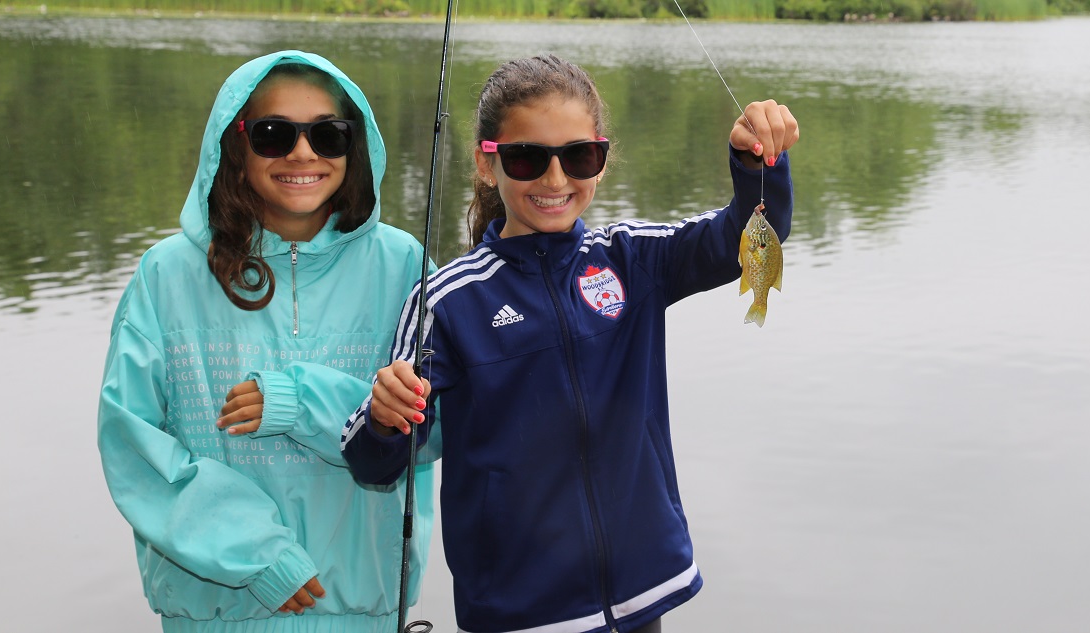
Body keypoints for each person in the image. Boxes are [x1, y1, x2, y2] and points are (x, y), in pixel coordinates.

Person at [341, 54, 798, 633]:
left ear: (601, 162)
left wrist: (756, 162)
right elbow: (372, 460)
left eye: (579, 156)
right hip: (522, 613)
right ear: (489, 166)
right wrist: (383, 417)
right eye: (527, 158)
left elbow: (748, 234)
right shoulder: (447, 299)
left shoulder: (634, 259)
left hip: (642, 595)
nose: (555, 180)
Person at [97, 50, 438, 632]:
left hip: (366, 611)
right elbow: (131, 445)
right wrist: (258, 554)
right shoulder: (167, 274)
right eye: (274, 133)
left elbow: (437, 428)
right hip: (216, 614)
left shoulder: (406, 265)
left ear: (353, 146)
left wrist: (298, 400)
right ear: (235, 144)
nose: (303, 154)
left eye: (328, 135)